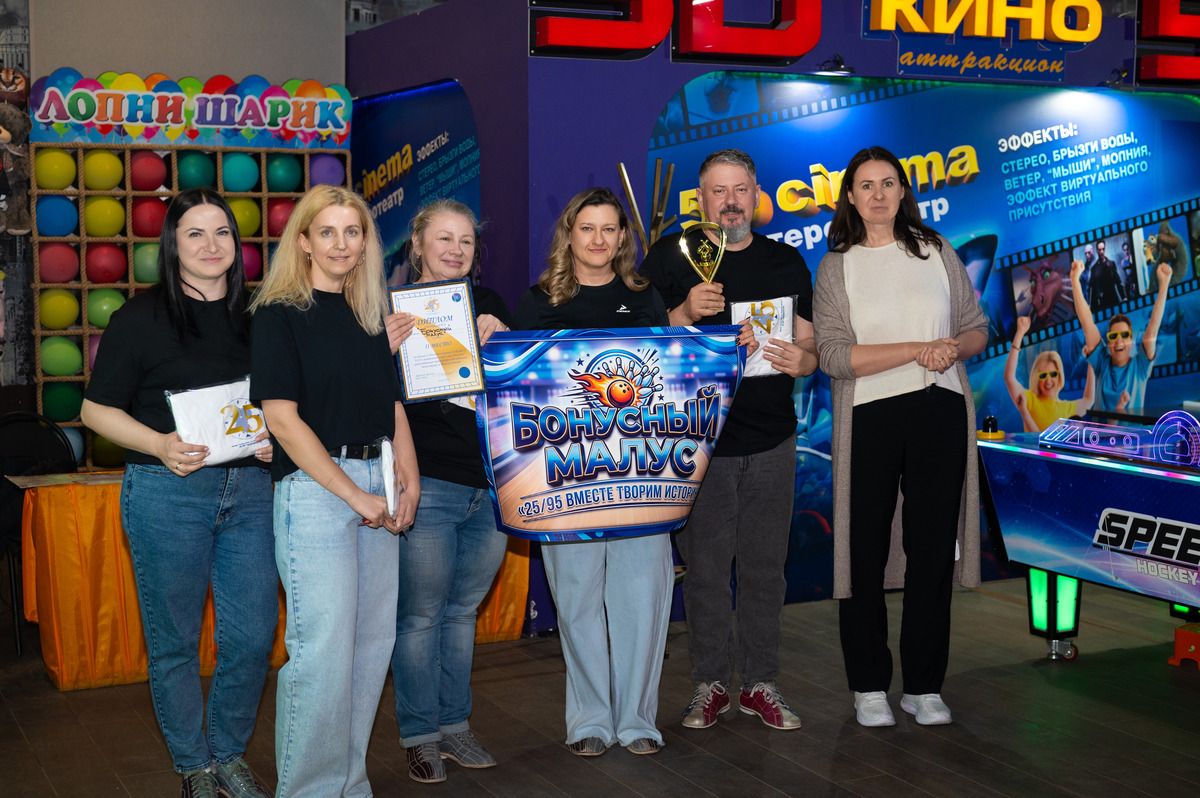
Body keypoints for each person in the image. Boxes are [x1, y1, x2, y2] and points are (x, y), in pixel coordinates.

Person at [81, 188, 276, 798]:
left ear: (237, 244)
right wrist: (160, 444)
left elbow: (284, 402)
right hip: (167, 494)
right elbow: (94, 411)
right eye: (195, 233)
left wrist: (277, 439)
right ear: (172, 244)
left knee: (251, 639)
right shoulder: (139, 319)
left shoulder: (262, 316)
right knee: (175, 643)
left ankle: (229, 755)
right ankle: (195, 766)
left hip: (254, 493)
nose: (211, 245)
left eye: (222, 232)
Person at [249, 185, 419, 797]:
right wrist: (355, 495)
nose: (341, 244)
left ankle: (349, 783)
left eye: (353, 232)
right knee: (322, 653)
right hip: (318, 493)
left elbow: (390, 403)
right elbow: (282, 421)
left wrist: (408, 475)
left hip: (377, 481)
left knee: (371, 645)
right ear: (303, 242)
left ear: (366, 243)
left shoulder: (369, 314)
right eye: (327, 232)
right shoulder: (277, 315)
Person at [640, 148, 817, 732]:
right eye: (718, 191)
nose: (730, 202)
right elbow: (633, 346)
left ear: (756, 194)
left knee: (766, 570)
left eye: (740, 189)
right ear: (701, 199)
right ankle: (709, 683)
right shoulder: (670, 258)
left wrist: (805, 359)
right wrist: (682, 311)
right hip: (699, 444)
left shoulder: (785, 261)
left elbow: (809, 344)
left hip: (772, 440)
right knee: (707, 572)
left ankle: (761, 683)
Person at [812, 146, 987, 728]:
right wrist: (917, 349)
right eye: (866, 185)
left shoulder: (937, 250)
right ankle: (868, 685)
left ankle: (923, 686)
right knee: (862, 554)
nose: (878, 194)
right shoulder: (836, 265)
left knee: (932, 553)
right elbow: (834, 356)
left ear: (904, 191)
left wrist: (949, 349)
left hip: (941, 409)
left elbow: (977, 329)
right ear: (850, 196)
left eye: (888, 183)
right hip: (870, 415)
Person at [514, 187, 673, 757]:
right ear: (569, 234)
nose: (598, 239)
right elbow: (517, 389)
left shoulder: (645, 296)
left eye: (609, 228)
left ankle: (637, 720)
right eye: (587, 228)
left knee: (642, 600)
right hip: (565, 478)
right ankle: (589, 721)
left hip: (643, 476)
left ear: (623, 237)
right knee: (577, 600)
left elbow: (674, 381)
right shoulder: (538, 303)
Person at [383, 200, 513, 784]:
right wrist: (380, 351)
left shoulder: (490, 304)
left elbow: (517, 389)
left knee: (461, 614)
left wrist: (505, 342)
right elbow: (365, 397)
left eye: (465, 241)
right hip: (427, 483)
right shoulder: (387, 312)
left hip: (488, 485)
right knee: (420, 616)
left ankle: (455, 725)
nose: (455, 250)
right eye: (443, 238)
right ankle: (419, 735)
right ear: (418, 244)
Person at [1071, 258, 1172, 412]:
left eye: (1124, 335)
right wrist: (1074, 281)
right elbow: (1087, 323)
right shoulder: (1101, 363)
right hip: (1101, 429)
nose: (1119, 342)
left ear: (1131, 340)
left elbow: (1153, 326)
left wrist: (1164, 284)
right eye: (1113, 337)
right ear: (1108, 343)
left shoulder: (1140, 367)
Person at [1004, 315, 1094, 432]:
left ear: (1059, 376)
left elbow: (1089, 400)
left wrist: (1091, 359)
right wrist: (1020, 333)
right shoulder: (1030, 400)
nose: (1048, 380)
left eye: (1053, 374)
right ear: (1037, 378)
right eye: (1043, 376)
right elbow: (1009, 378)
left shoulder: (1066, 408)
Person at [1088, 240, 1124, 312]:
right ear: (1097, 251)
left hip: (1113, 300)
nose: (1101, 252)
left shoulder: (1111, 264)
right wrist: (1092, 308)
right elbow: (1093, 290)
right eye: (1099, 250)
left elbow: (1118, 282)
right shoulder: (1094, 269)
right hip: (1101, 303)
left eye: (1103, 249)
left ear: (1105, 249)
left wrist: (1124, 297)